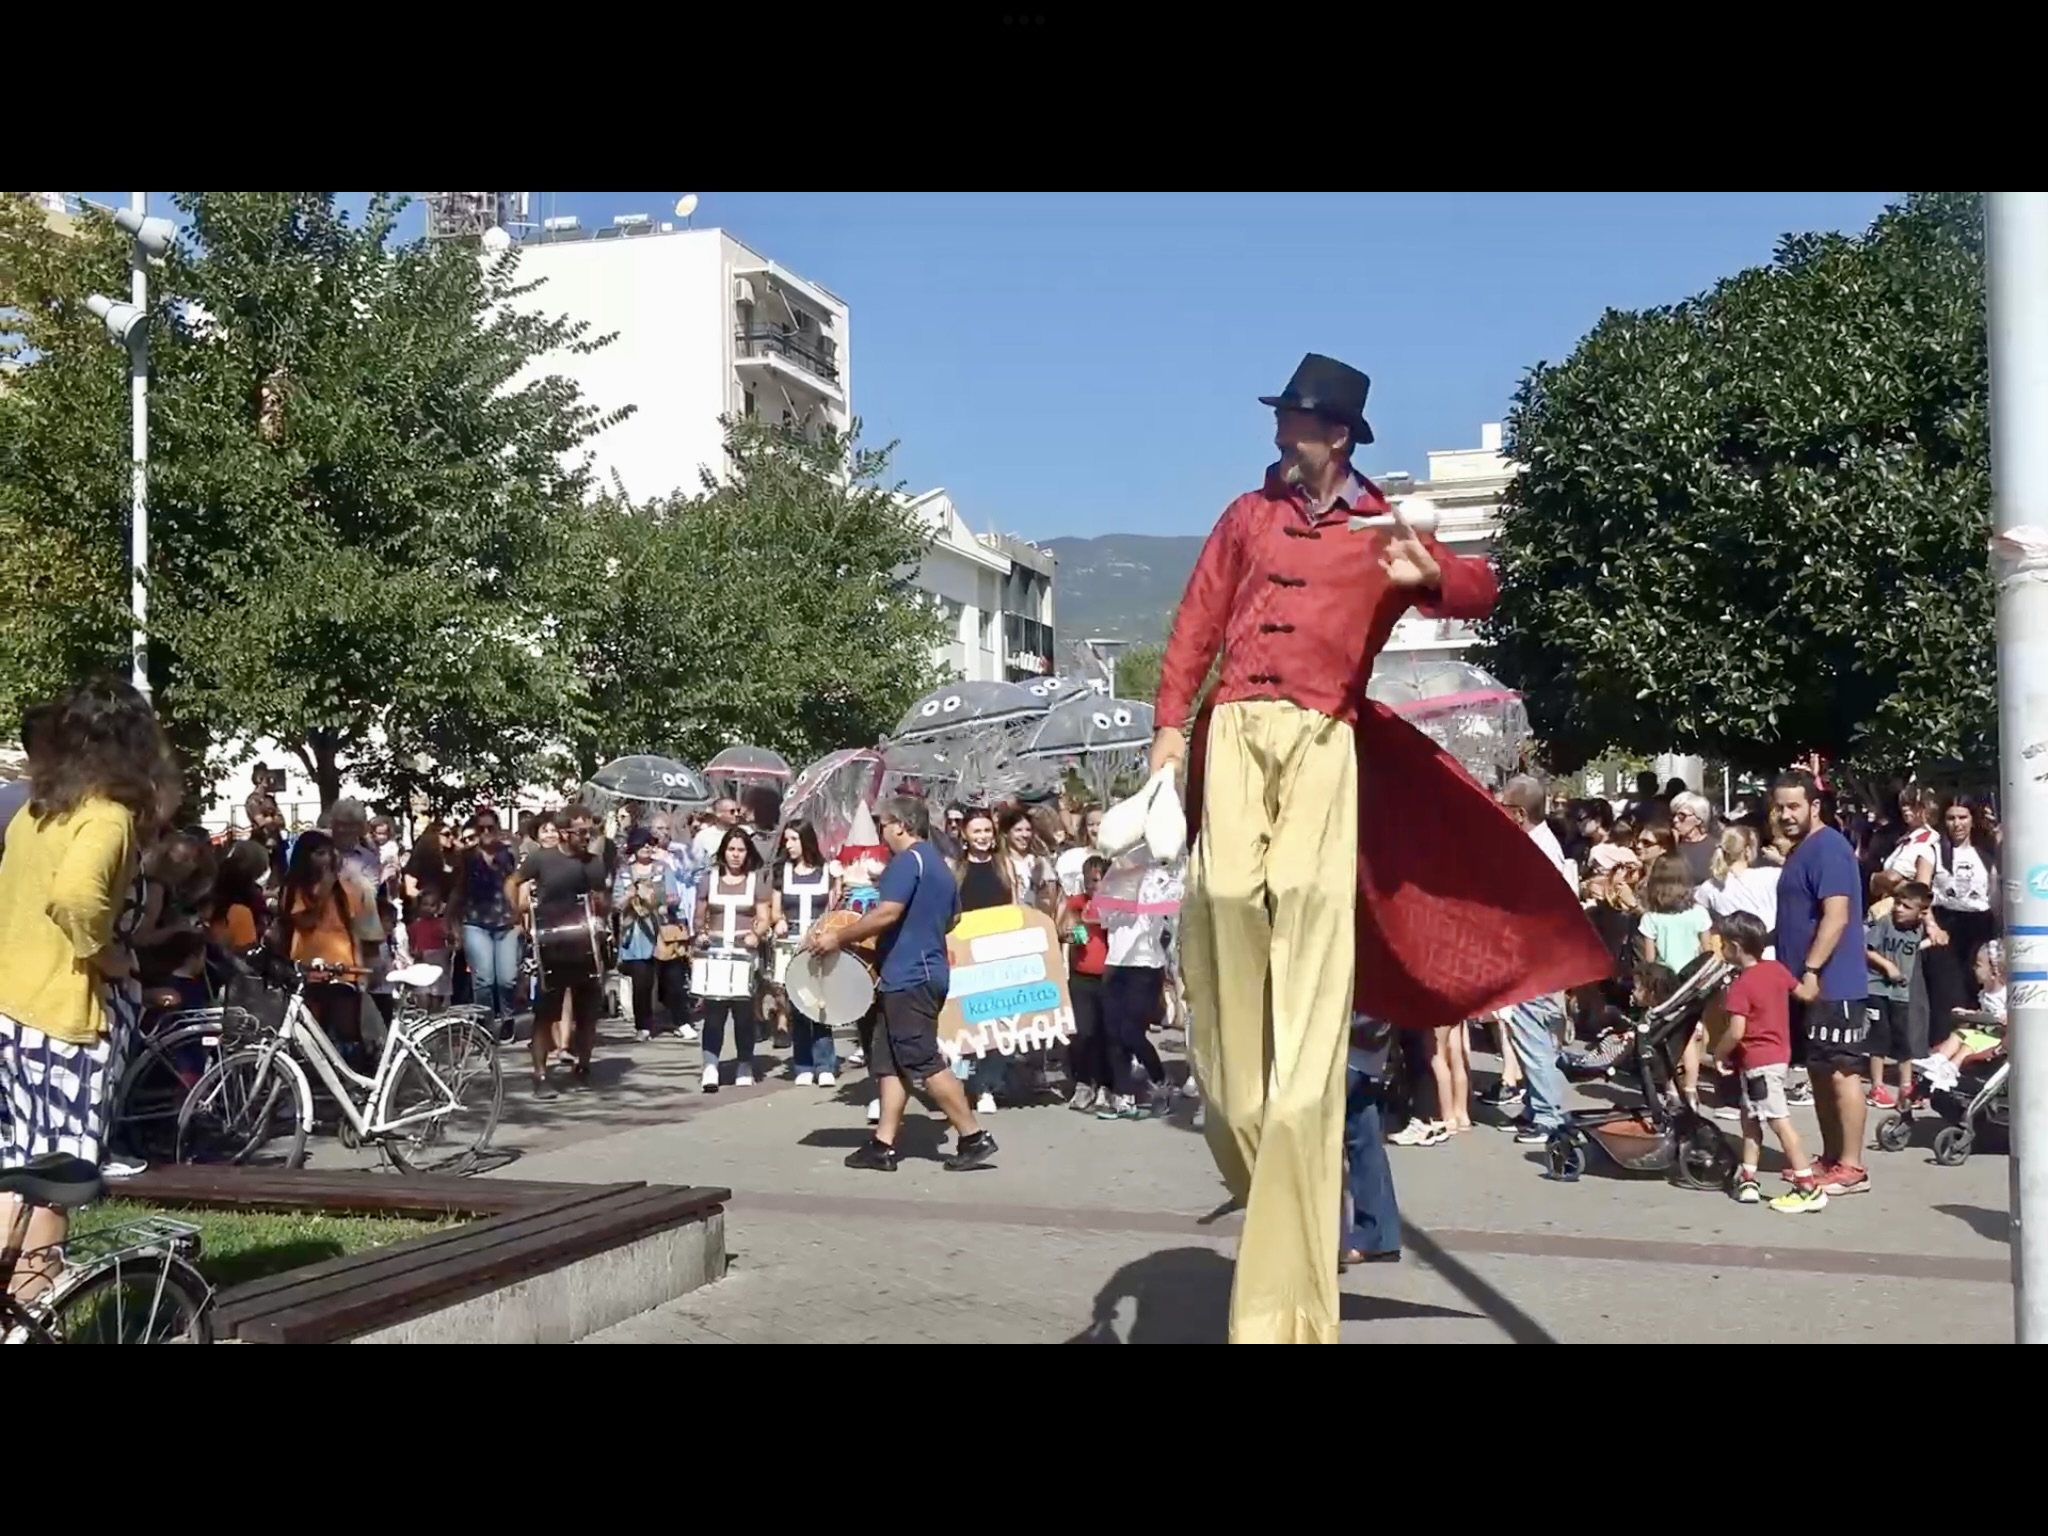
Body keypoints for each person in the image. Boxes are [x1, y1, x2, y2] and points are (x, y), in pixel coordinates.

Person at [1152, 353, 1609, 1343]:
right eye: (1281, 419)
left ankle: (1288, 1280)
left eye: (1294, 422)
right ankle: (1252, 1133)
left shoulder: (1380, 525)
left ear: (1335, 435)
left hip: (1324, 737)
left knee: (1310, 917)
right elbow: (1193, 626)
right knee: (1223, 903)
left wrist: (1428, 573)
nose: (1280, 434)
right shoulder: (1245, 517)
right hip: (1235, 730)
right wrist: (1167, 732)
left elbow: (1481, 588)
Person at [0, 680, 174, 1296]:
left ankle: (11, 1306)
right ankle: (34, 1305)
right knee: (59, 1176)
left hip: (11, 1005)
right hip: (62, 1016)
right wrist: (108, 956)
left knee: (16, 1170)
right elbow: (76, 896)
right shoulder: (107, 815)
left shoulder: (38, 810)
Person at [807, 795, 995, 1172]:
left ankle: (974, 1137)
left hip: (910, 975)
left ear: (902, 825)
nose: (882, 832)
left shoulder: (906, 862)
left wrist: (838, 937)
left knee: (922, 1060)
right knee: (889, 1061)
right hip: (920, 972)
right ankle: (883, 1144)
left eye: (885, 825)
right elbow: (953, 919)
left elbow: (887, 913)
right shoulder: (940, 865)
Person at [1771, 768, 1869, 1197]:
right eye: (1779, 808)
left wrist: (1811, 969)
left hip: (1834, 983)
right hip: (1801, 985)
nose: (1785, 815)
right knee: (1819, 1071)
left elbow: (1837, 916)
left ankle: (1852, 1166)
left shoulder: (1830, 847)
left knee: (1843, 1072)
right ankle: (1830, 1157)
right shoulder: (1801, 850)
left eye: (1793, 806)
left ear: (1814, 805)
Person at [1710, 911, 1823, 1212]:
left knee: (1778, 1121)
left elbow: (1736, 1031)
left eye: (1722, 943)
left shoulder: (1740, 986)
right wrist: (1813, 971)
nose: (1720, 948)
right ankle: (1748, 1177)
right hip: (1777, 1056)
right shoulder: (1776, 969)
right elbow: (1805, 993)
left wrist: (1719, 1053)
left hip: (1758, 1061)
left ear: (1735, 946)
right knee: (1750, 1117)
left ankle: (1807, 1185)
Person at [512, 804, 609, 1098]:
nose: (587, 837)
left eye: (590, 832)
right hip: (550, 945)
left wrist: (602, 908)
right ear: (565, 832)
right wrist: (518, 916)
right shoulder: (541, 858)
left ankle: (583, 1066)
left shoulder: (594, 863)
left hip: (584, 942)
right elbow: (513, 882)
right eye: (581, 832)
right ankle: (540, 1075)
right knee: (545, 1014)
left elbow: (603, 902)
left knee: (587, 1011)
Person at [1864, 879, 1931, 1109]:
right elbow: (1868, 950)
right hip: (1877, 989)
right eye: (1898, 904)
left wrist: (1933, 937)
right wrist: (1888, 966)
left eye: (1906, 906)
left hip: (1900, 993)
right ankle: (1877, 1087)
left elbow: (1913, 947)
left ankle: (1906, 1086)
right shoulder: (1885, 923)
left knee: (1904, 1039)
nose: (1899, 909)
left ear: (1921, 913)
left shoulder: (1918, 929)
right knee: (1880, 1037)